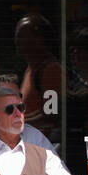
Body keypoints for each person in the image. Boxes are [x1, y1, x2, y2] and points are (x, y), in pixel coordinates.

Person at [14, 13, 65, 145]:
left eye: (24, 36)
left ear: (41, 39)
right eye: (18, 36)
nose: (18, 41)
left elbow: (51, 114)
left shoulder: (50, 70)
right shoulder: (31, 68)